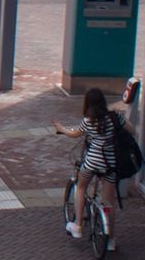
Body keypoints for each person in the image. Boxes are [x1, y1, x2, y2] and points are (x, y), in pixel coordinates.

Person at [53, 82, 135, 243]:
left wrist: (60, 128)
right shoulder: (115, 117)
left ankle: (77, 226)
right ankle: (110, 240)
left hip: (91, 163)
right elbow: (132, 130)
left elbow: (74, 134)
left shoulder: (88, 121)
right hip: (110, 164)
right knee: (109, 202)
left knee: (82, 187)